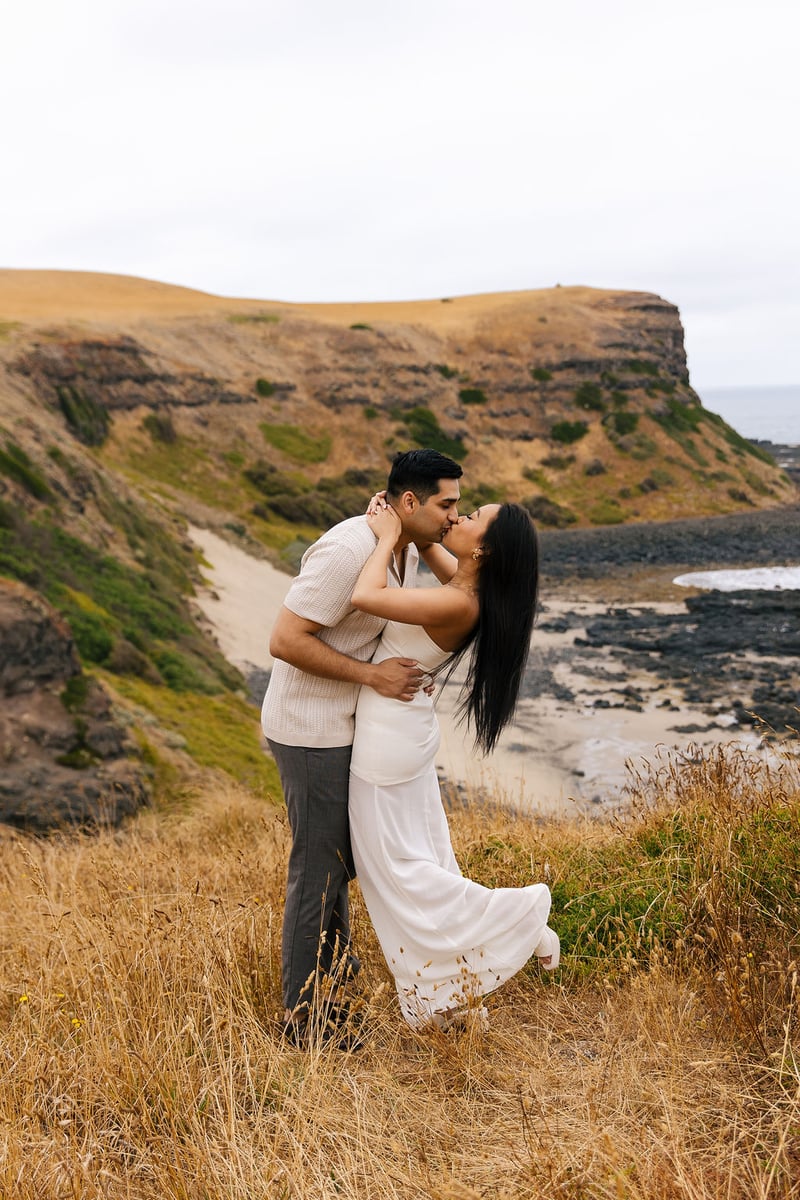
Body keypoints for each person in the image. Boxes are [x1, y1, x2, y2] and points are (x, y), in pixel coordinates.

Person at [262, 449, 463, 1044]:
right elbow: (283, 639)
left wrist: (414, 542)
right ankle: (301, 1023)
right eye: (446, 504)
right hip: (308, 729)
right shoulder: (351, 548)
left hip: (342, 726)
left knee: (339, 866)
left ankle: (333, 997)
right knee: (318, 869)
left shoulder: (395, 548)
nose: (454, 515)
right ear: (409, 502)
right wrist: (372, 677)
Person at [348, 498, 559, 1029]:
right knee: (423, 858)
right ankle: (443, 1003)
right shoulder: (470, 588)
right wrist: (419, 529)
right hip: (403, 728)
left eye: (472, 517)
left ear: (484, 548)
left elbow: (365, 596)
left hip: (388, 736)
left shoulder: (460, 602)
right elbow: (438, 553)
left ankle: (519, 919)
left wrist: (384, 534)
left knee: (395, 870)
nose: (458, 519)